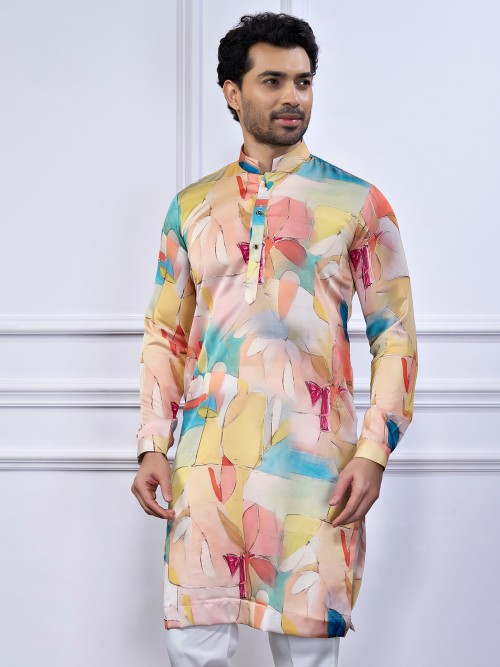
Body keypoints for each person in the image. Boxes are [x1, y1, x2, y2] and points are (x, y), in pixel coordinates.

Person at [131, 11, 418, 667]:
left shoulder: (358, 204)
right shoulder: (192, 207)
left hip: (314, 471)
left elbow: (395, 337)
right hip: (205, 472)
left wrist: (374, 452)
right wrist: (151, 444)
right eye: (273, 81)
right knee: (193, 650)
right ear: (233, 92)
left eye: (303, 81)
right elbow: (165, 336)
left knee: (307, 654)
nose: (293, 96)